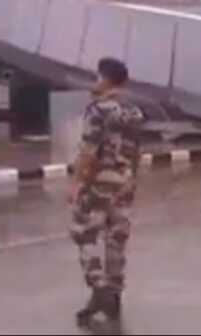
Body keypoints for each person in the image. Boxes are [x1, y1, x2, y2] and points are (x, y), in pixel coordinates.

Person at [70, 57, 145, 326]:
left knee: (83, 231)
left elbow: (89, 151)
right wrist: (131, 179)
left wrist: (77, 183)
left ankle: (98, 287)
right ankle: (114, 292)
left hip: (101, 180)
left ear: (105, 79)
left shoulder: (98, 110)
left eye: (97, 76)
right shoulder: (134, 112)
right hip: (125, 181)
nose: (94, 81)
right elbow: (136, 152)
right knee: (116, 237)